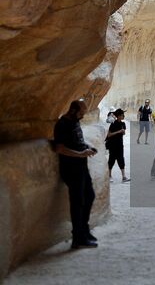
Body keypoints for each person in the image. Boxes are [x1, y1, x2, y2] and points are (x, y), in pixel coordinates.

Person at [52, 99, 98, 250]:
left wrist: (87, 147)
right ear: (73, 111)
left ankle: (84, 231)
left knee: (89, 196)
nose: (82, 116)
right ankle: (77, 238)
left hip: (81, 167)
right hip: (71, 169)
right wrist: (80, 154)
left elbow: (77, 141)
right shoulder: (62, 124)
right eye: (81, 113)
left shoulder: (75, 121)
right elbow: (59, 148)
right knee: (77, 203)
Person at [105, 108, 130, 182]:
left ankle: (124, 176)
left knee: (121, 159)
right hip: (112, 145)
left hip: (120, 144)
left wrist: (123, 132)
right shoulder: (113, 124)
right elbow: (109, 135)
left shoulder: (123, 124)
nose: (123, 116)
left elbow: (123, 133)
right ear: (118, 116)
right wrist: (119, 131)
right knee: (111, 159)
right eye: (122, 115)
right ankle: (109, 176)